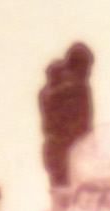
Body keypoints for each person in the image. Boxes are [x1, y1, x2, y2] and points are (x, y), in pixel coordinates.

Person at [38, 44, 97, 191]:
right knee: (78, 193)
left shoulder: (47, 89)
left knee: (60, 192)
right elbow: (84, 122)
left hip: (53, 148)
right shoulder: (79, 87)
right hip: (75, 149)